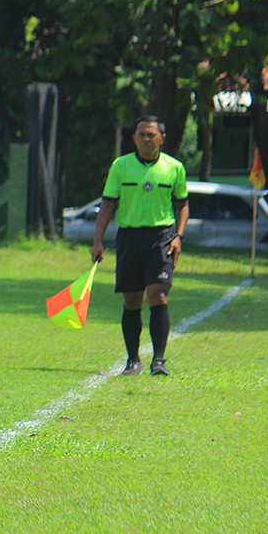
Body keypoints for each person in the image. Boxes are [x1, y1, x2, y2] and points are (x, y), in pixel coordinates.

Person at [91, 115, 189, 376]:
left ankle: (159, 361)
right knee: (132, 300)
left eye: (151, 134)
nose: (146, 138)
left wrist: (179, 236)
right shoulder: (120, 166)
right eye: (142, 134)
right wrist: (98, 240)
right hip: (129, 238)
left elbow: (183, 205)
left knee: (159, 295)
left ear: (162, 138)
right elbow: (108, 205)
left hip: (162, 238)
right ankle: (133, 360)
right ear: (133, 137)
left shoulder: (174, 168)